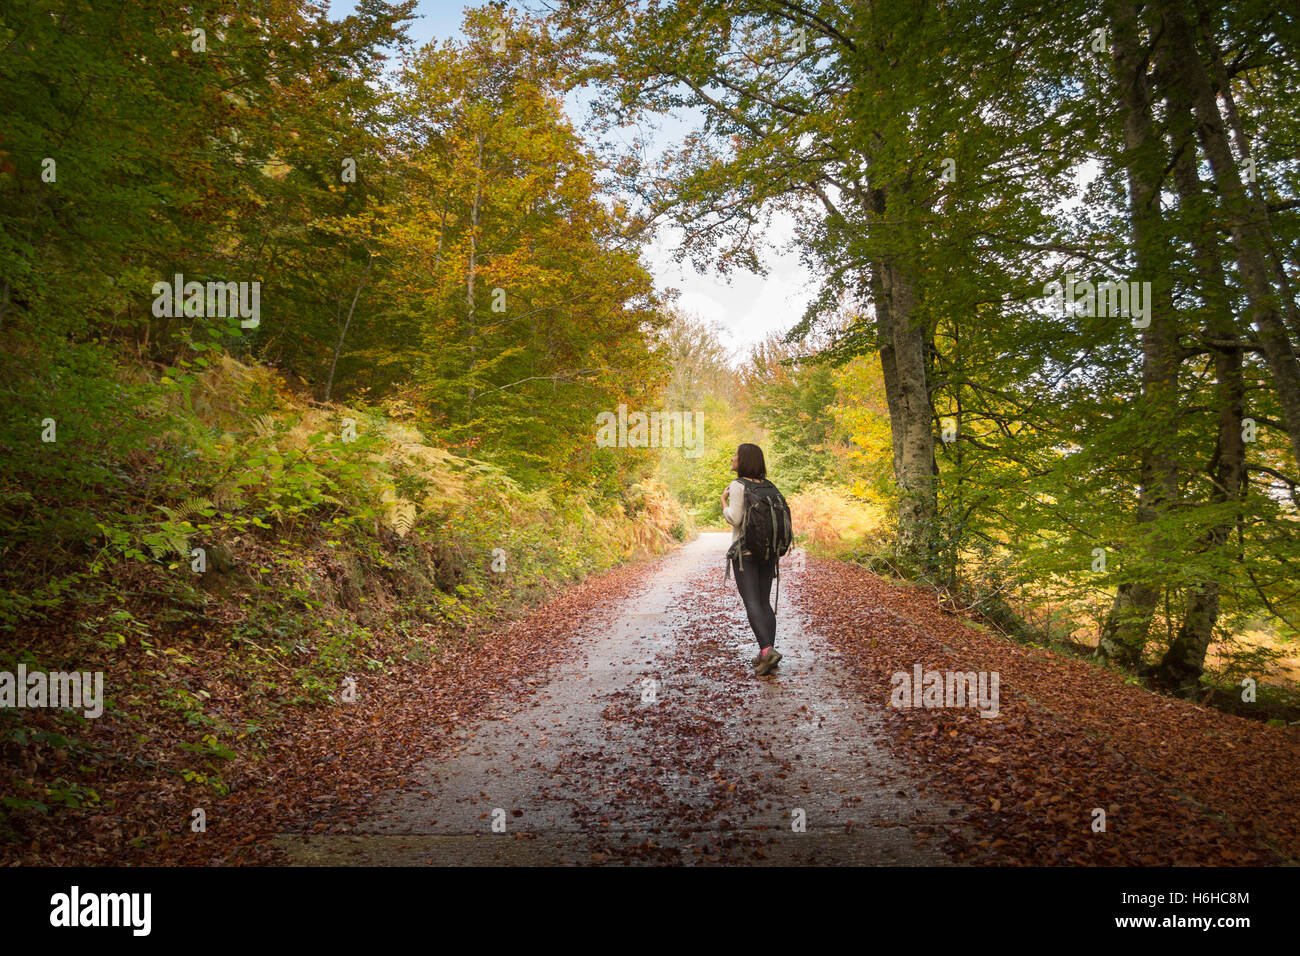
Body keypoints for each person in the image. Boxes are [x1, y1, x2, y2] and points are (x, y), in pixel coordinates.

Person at [721, 442, 782, 676]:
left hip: (744, 552)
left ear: (744, 460)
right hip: (768, 552)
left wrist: (723, 502)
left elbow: (735, 519)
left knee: (752, 602)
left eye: (735, 455)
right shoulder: (769, 485)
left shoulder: (738, 486)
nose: (732, 458)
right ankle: (768, 653)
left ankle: (766, 651)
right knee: (764, 602)